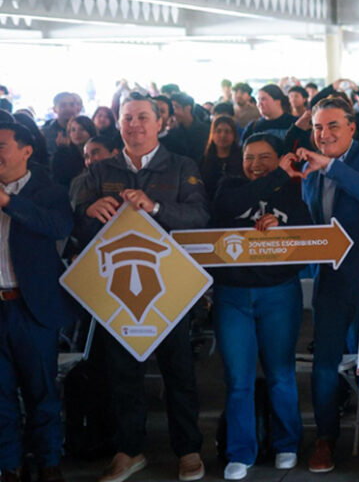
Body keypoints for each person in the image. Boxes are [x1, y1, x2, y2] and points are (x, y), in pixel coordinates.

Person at [71, 95, 210, 482]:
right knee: (123, 374)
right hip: (115, 288)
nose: (135, 124)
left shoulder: (181, 166)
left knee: (178, 371)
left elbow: (200, 216)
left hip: (170, 288)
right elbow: (75, 226)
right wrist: (88, 212)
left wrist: (156, 208)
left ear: (159, 123)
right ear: (118, 124)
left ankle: (189, 450)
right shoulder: (100, 171)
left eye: (143, 117)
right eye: (128, 118)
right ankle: (129, 450)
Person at [283, 96, 359, 474]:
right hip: (328, 277)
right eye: (316, 127)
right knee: (325, 363)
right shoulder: (309, 164)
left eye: (331, 126)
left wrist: (328, 165)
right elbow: (311, 220)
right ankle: (326, 438)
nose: (323, 134)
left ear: (351, 128)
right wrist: (295, 183)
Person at [210, 134, 309, 480]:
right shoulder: (228, 186)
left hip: (279, 292)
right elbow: (226, 208)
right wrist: (277, 175)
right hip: (231, 296)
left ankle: (287, 444)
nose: (256, 164)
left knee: (281, 372)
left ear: (279, 158)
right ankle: (241, 451)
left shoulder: (293, 191)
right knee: (238, 379)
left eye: (265, 157)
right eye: (249, 157)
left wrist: (284, 227)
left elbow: (310, 234)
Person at [0, 122, 74, 482]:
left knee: (41, 391)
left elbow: (58, 226)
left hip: (31, 306)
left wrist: (9, 203)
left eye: (1, 145)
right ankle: (9, 465)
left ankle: (48, 463)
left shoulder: (49, 191)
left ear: (26, 150)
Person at [200, 116, 243, 198]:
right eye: (218, 131)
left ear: (234, 135)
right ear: (212, 134)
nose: (223, 135)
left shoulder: (242, 158)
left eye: (227, 131)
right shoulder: (203, 160)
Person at [162, 93, 211, 164]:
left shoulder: (206, 131)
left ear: (188, 108)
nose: (173, 112)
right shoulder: (173, 131)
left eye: (175, 107)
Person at [51, 115, 95, 186]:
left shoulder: (98, 153)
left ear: (90, 131)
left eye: (82, 129)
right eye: (73, 130)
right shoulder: (61, 155)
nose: (77, 133)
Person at [42, 92, 83, 157]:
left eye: (72, 105)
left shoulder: (85, 130)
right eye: (63, 105)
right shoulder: (44, 133)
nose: (68, 108)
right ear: (55, 109)